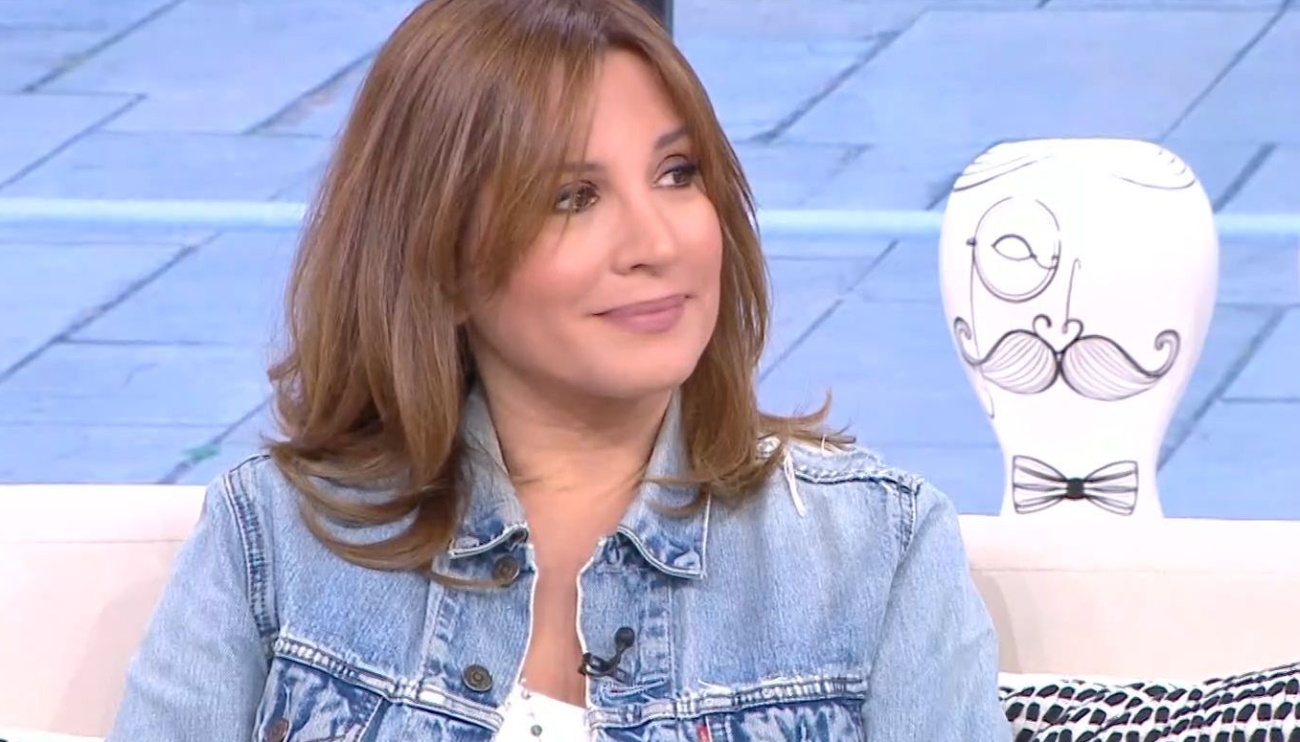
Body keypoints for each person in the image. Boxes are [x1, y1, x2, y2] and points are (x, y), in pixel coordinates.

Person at [107, 0, 1012, 739]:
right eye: (573, 197)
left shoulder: (875, 554)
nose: (655, 243)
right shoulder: (273, 542)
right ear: (441, 259)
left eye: (677, 173)